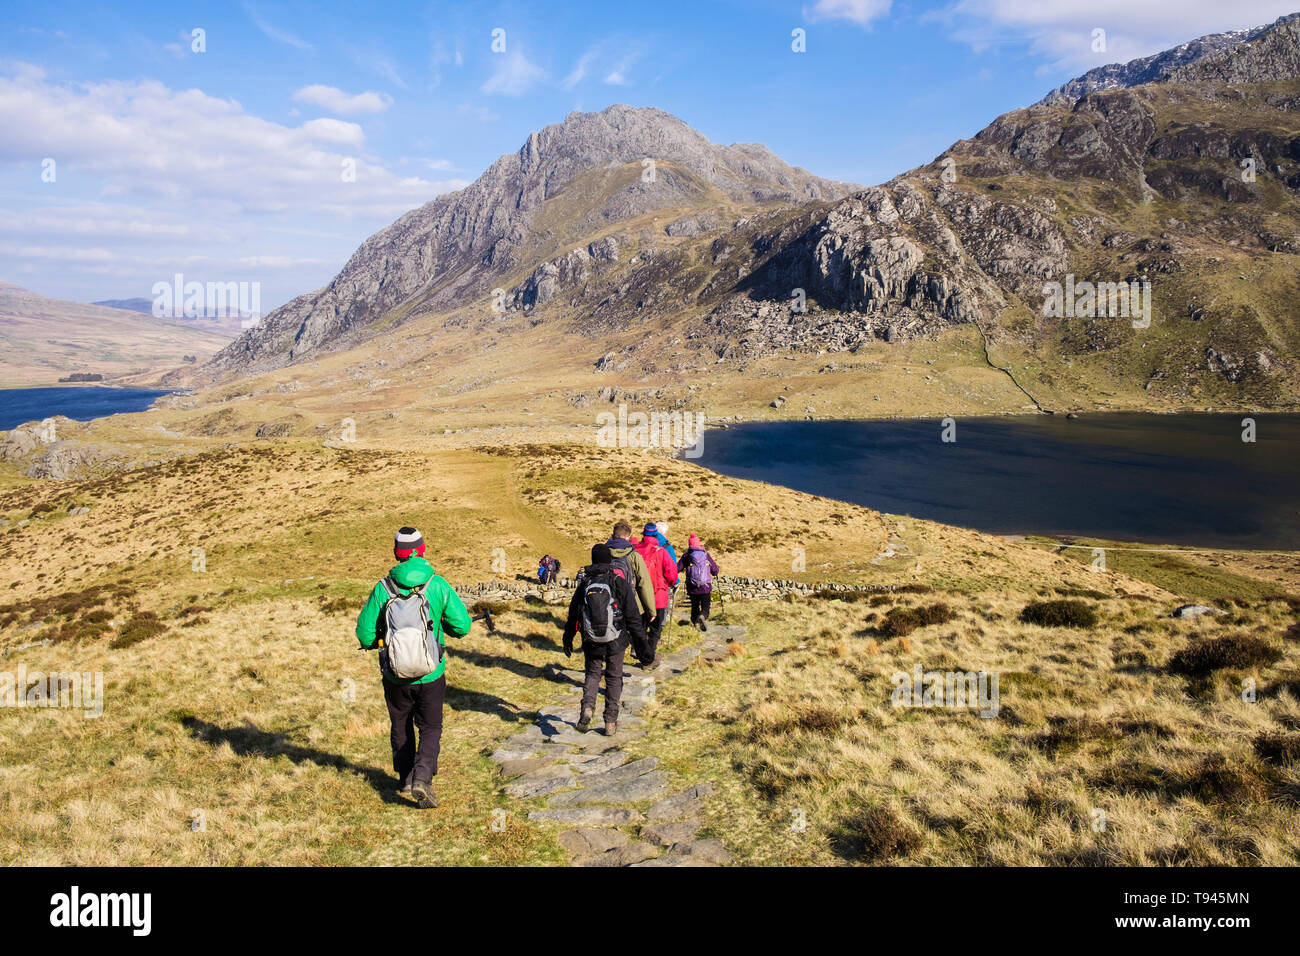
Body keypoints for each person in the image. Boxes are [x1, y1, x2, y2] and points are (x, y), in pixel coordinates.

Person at [355, 526, 472, 809]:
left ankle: (406, 777)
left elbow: (364, 632)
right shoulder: (437, 584)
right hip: (431, 672)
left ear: (397, 553)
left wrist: (377, 642)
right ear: (422, 550)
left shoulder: (383, 588)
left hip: (395, 675)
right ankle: (422, 778)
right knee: (430, 726)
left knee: (400, 723)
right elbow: (463, 626)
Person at [563, 543, 649, 736]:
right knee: (613, 677)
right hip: (616, 639)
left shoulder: (585, 584)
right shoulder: (619, 582)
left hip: (591, 639)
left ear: (593, 560)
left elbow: (573, 614)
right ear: (609, 560)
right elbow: (634, 617)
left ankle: (587, 708)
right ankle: (610, 722)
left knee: (593, 674)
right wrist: (643, 647)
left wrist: (568, 637)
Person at [606, 521, 656, 646]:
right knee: (636, 632)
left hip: (607, 601)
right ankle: (641, 654)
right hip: (630, 602)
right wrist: (651, 610)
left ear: (613, 534)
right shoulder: (633, 555)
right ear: (628, 536)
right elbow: (644, 583)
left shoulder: (604, 552)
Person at [635, 523, 679, 662]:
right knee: (655, 630)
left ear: (643, 535)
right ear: (656, 535)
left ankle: (641, 653)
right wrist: (670, 584)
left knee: (639, 628)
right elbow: (672, 574)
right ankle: (648, 659)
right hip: (658, 597)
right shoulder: (662, 552)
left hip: (638, 597)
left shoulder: (634, 551)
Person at [678, 533, 720, 631]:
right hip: (705, 586)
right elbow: (715, 570)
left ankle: (695, 624)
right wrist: (715, 572)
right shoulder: (705, 555)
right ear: (699, 544)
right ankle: (702, 616)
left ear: (690, 545)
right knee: (706, 606)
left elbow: (677, 568)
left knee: (694, 606)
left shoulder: (687, 556)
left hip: (692, 587)